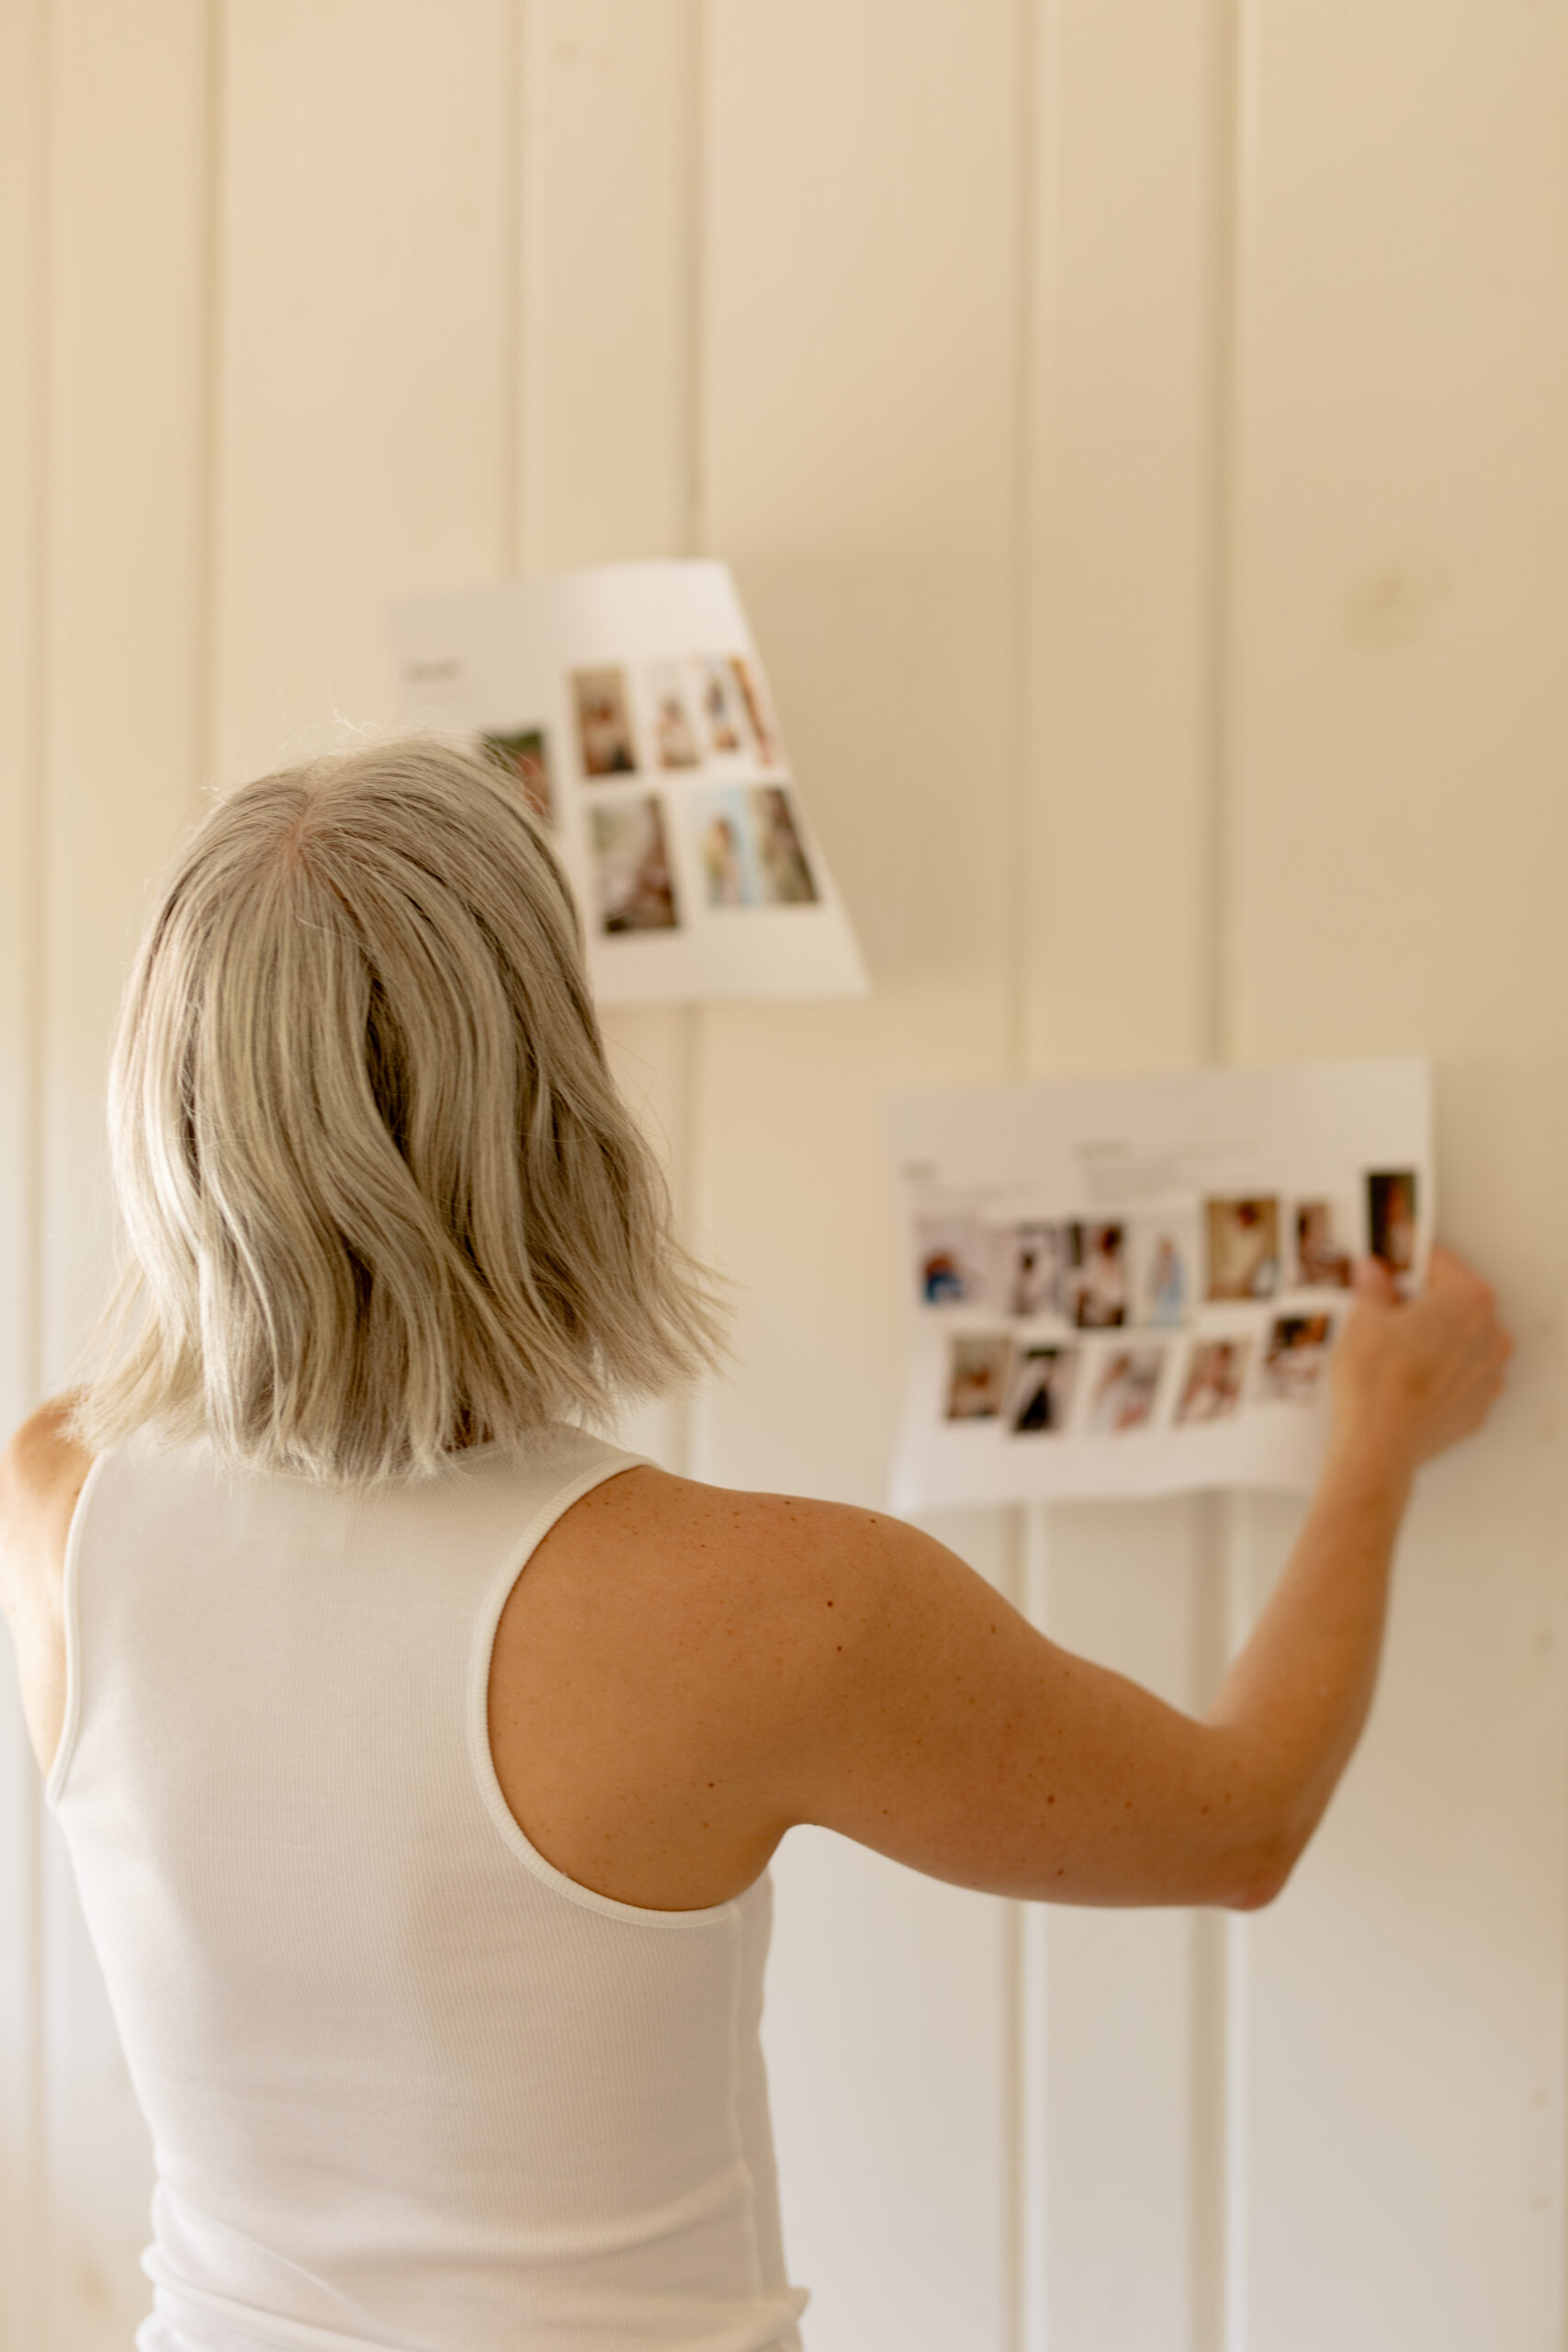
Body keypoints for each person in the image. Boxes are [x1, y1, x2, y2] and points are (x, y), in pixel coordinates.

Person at [0, 740, 1510, 2352]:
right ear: (553, 1105)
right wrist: (1375, 1444)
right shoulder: (775, 1609)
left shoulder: (58, 1503)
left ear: (166, 1113)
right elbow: (1241, 1823)